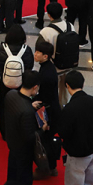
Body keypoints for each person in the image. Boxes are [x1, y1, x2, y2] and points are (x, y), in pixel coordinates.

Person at [4, 70, 43, 185]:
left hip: (12, 147)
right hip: (23, 153)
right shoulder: (27, 111)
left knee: (12, 178)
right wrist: (43, 129)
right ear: (35, 87)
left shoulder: (11, 95)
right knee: (24, 183)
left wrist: (29, 106)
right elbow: (30, 137)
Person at [34, 40, 60, 175]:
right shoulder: (47, 66)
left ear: (45, 56)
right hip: (51, 107)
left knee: (46, 141)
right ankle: (51, 166)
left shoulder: (47, 73)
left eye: (38, 52)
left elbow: (45, 96)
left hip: (49, 111)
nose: (35, 54)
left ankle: (47, 168)